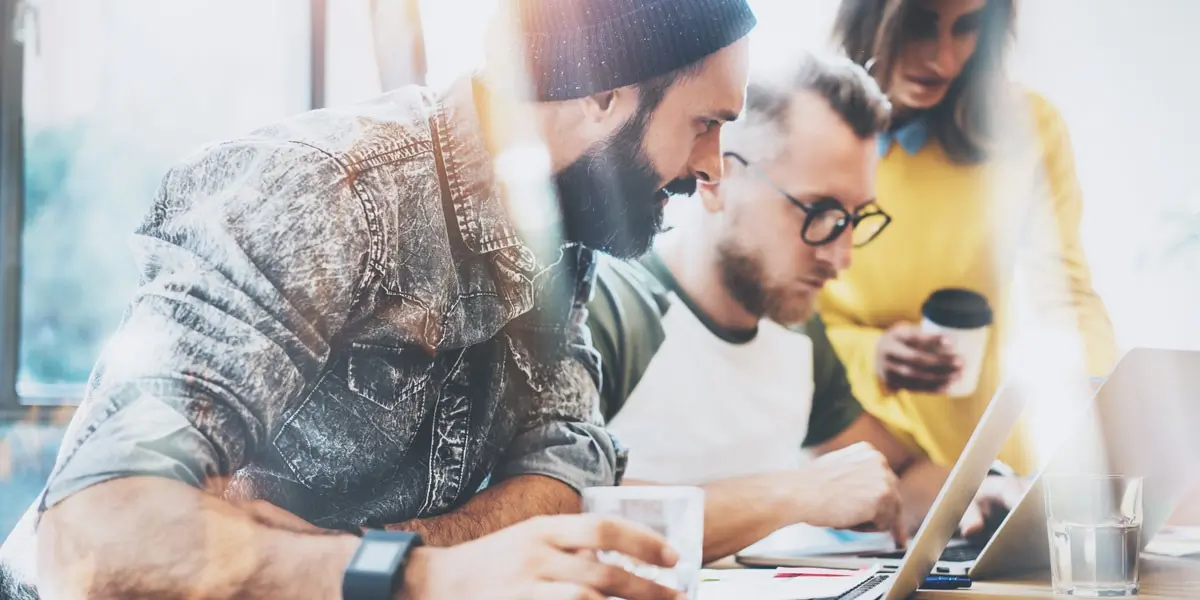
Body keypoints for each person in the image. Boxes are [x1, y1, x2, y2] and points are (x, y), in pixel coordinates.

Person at [0, 0, 756, 598]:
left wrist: (383, 558)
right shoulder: (317, 191)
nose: (714, 168)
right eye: (706, 124)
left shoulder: (560, 218)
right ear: (602, 94)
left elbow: (567, 463)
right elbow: (94, 536)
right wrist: (425, 577)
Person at [587, 52, 1023, 564]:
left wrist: (987, 489)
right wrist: (797, 494)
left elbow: (898, 476)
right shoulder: (606, 308)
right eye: (819, 211)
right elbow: (563, 508)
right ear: (717, 182)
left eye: (854, 218)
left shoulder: (797, 331)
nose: (841, 258)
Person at [818, 0, 1117, 474]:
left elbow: (1064, 294)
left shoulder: (1028, 126)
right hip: (865, 448)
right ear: (868, 17)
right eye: (920, 26)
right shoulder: (810, 134)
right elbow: (785, 330)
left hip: (987, 451)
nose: (943, 60)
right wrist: (871, 355)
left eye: (966, 27)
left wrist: (1100, 396)